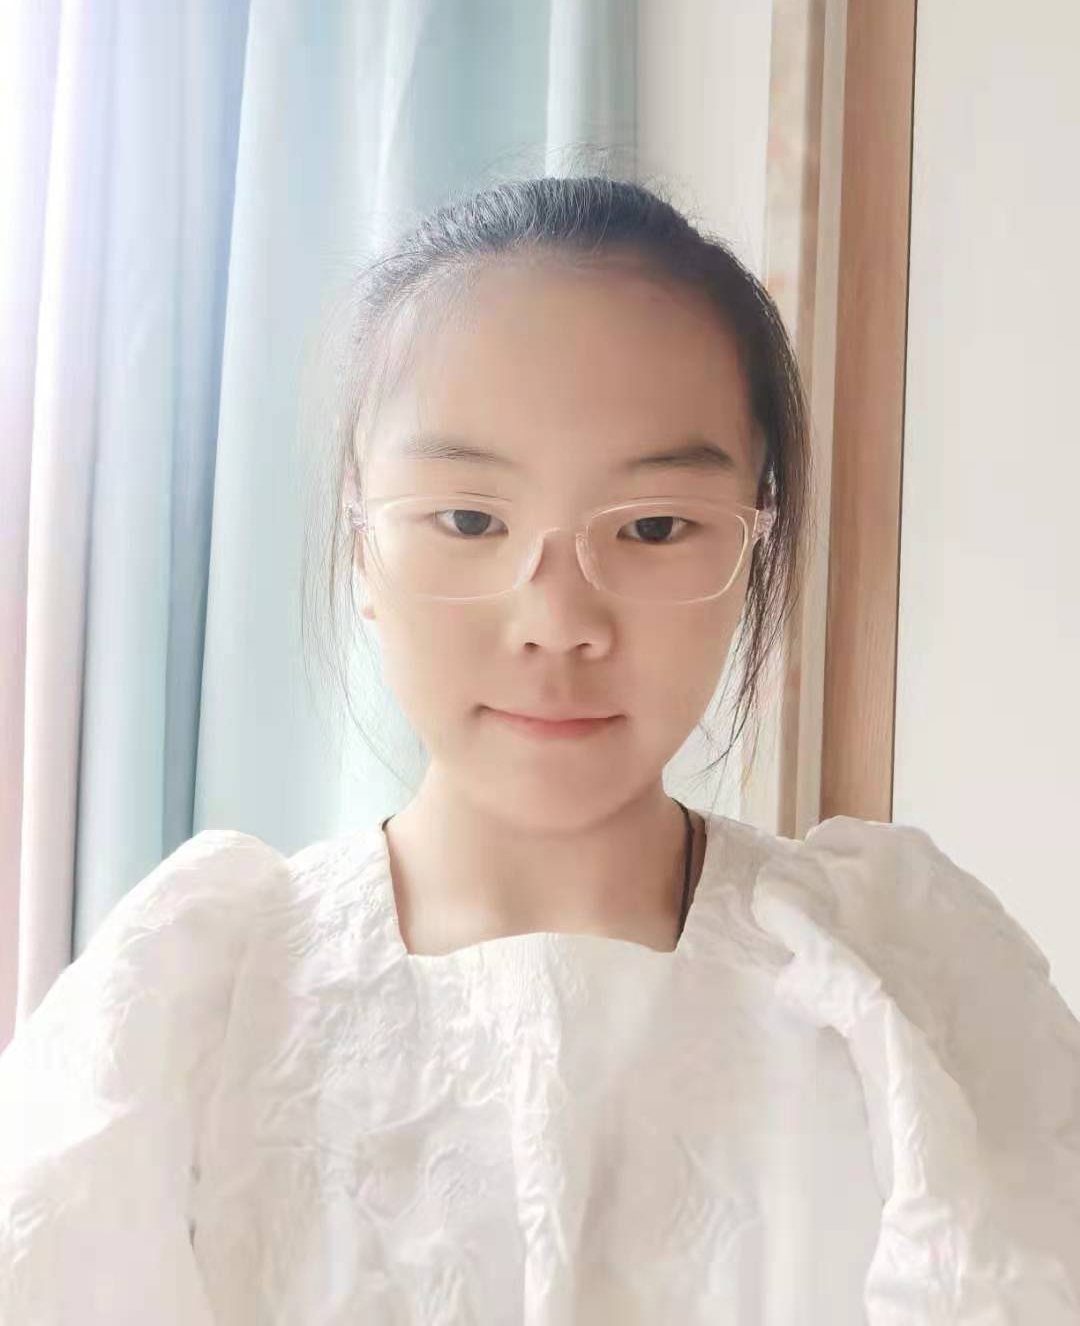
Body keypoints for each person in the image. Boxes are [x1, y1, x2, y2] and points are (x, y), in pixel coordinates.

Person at [1, 176, 1078, 1323]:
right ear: (362, 540)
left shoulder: (899, 991)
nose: (558, 620)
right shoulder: (191, 1009)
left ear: (756, 540)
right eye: (470, 520)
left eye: (655, 526)